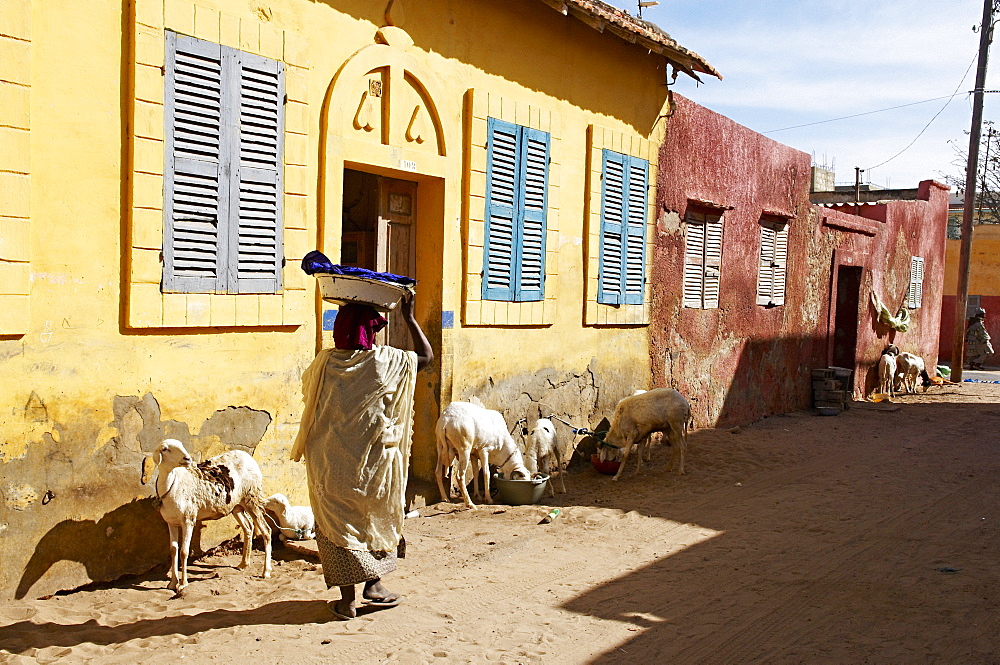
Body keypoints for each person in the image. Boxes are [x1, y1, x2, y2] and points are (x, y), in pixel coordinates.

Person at [291, 292, 433, 621]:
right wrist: (409, 318)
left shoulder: (324, 363)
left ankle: (349, 599)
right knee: (369, 517)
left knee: (336, 526)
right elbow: (426, 356)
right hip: (370, 466)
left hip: (328, 463)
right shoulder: (383, 362)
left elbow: (309, 396)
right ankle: (373, 585)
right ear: (369, 332)